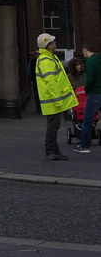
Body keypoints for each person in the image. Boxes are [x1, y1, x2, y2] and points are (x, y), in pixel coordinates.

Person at [34, 32, 77, 161]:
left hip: (52, 100)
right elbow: (51, 83)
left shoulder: (49, 58)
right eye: (52, 42)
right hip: (52, 101)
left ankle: (55, 152)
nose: (55, 43)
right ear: (48, 46)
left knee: (54, 126)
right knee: (53, 127)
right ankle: (50, 152)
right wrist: (58, 101)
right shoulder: (46, 61)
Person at [73, 40, 101, 154]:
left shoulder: (89, 62)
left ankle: (84, 146)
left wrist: (87, 90)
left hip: (94, 93)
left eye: (83, 51)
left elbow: (89, 80)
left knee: (87, 121)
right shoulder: (99, 59)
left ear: (85, 50)